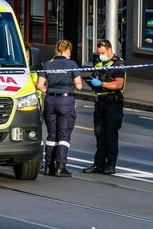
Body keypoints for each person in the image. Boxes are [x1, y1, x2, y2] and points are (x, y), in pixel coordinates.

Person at [36, 40, 83, 177]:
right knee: (64, 134)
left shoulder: (47, 64)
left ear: (57, 50)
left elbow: (40, 85)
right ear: (68, 50)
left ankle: (48, 166)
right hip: (65, 100)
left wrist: (49, 90)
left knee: (52, 135)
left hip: (50, 100)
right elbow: (79, 85)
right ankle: (60, 167)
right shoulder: (71, 64)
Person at [82, 39, 126, 175]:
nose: (101, 55)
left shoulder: (118, 64)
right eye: (99, 52)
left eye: (102, 52)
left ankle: (110, 164)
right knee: (99, 135)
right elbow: (95, 78)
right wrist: (92, 82)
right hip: (100, 102)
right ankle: (98, 164)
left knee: (111, 135)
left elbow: (119, 84)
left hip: (113, 103)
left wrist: (101, 83)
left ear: (109, 50)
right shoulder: (99, 64)